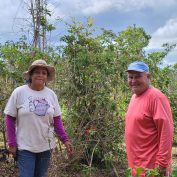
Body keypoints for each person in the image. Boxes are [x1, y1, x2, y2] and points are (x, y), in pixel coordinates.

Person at [4, 59, 74, 177]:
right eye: (37, 72)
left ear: (47, 77)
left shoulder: (51, 95)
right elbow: (10, 118)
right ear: (31, 75)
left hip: (45, 146)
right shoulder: (19, 92)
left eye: (44, 73)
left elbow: (57, 120)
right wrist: (12, 143)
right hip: (25, 146)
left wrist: (65, 140)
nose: (40, 75)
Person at [125, 61, 174, 177]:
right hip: (135, 168)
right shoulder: (134, 97)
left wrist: (161, 166)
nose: (133, 80)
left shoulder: (156, 97)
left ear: (148, 76)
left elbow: (167, 132)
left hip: (151, 170)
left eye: (137, 76)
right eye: (130, 77)